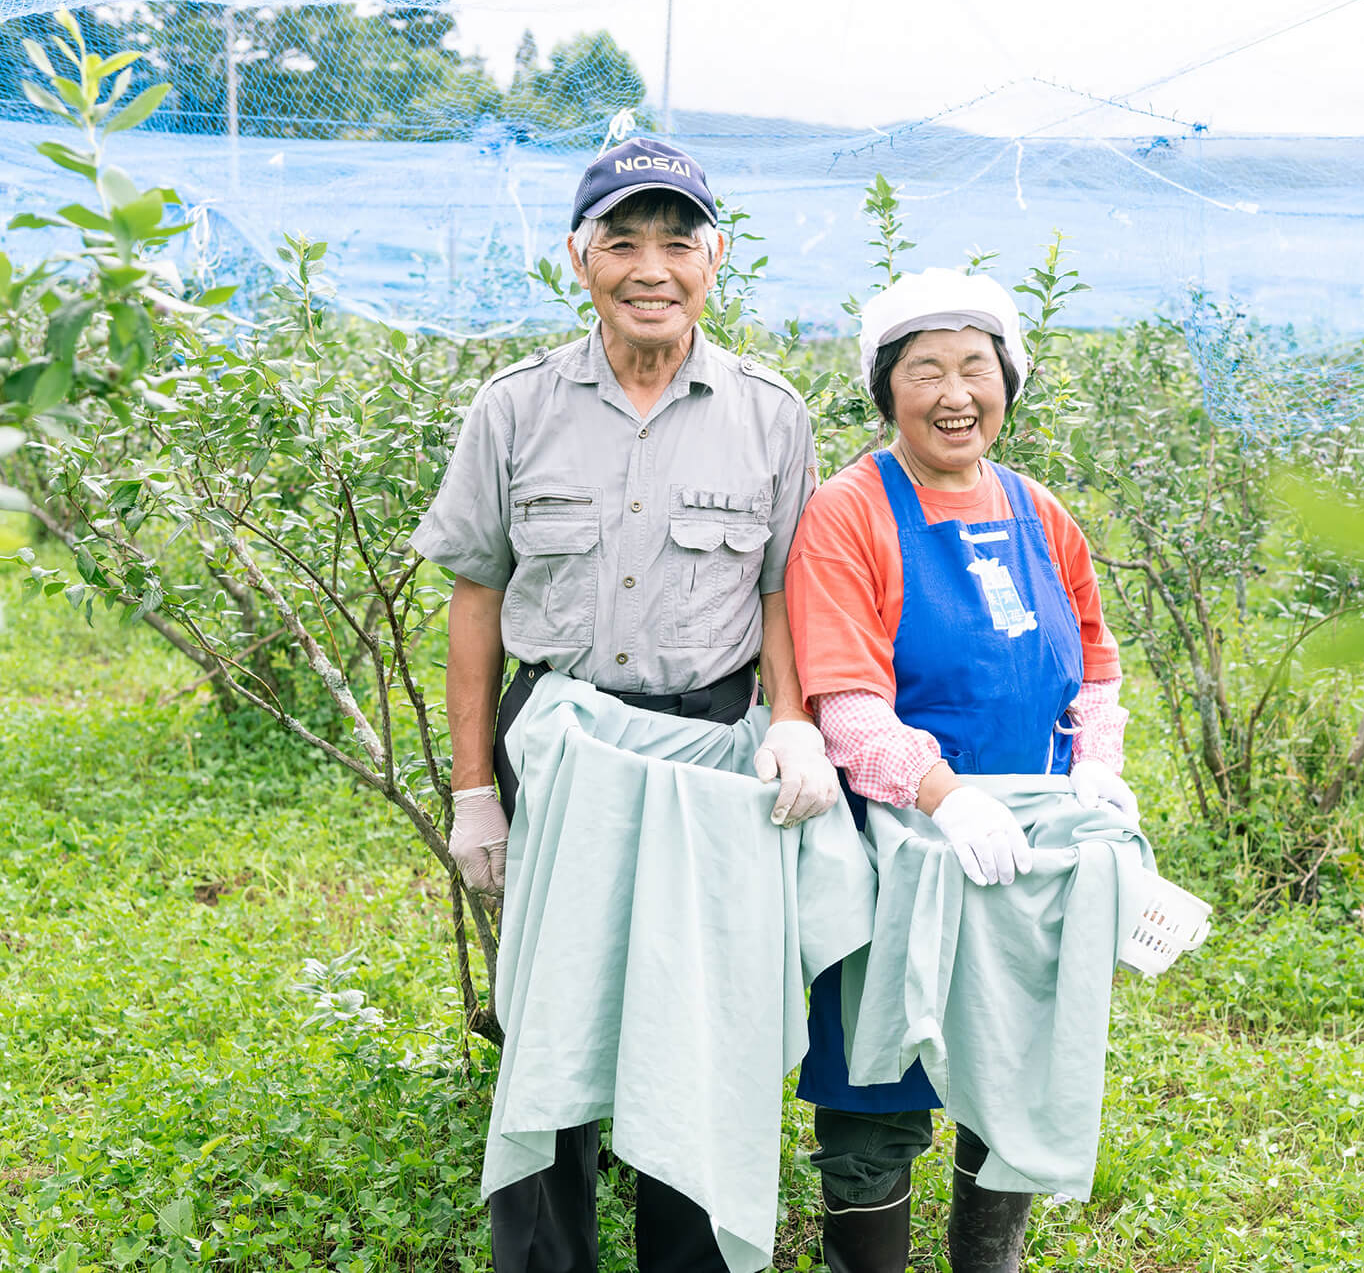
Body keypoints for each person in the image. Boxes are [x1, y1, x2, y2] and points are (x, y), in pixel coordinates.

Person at [411, 137, 841, 1273]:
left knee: (691, 1026)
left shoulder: (768, 413)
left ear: (716, 258)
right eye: (621, 240)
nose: (649, 266)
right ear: (577, 256)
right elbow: (476, 596)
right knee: (553, 1018)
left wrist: (792, 722)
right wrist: (471, 792)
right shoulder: (514, 407)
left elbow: (782, 592)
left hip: (710, 754)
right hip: (557, 747)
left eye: (676, 241)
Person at [783, 268, 1138, 1273]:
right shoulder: (849, 513)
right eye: (924, 369)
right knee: (873, 1088)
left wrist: (1097, 766)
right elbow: (845, 705)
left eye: (974, 368)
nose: (953, 394)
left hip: (1025, 853)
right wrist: (944, 796)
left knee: (1011, 1069)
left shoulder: (1038, 511)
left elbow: (1094, 659)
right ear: (885, 387)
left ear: (1007, 381)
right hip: (896, 850)